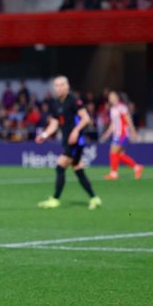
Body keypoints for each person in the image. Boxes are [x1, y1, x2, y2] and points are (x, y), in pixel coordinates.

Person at [35, 76, 101, 210]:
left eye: (61, 85)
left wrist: (76, 131)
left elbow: (86, 118)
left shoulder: (73, 100)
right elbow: (54, 123)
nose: (59, 88)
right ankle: (94, 198)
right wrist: (44, 135)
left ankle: (55, 199)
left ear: (67, 86)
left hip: (77, 142)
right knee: (78, 170)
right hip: (67, 140)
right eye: (56, 85)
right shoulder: (55, 103)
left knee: (60, 166)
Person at [100, 91, 143, 180]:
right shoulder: (112, 109)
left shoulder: (122, 107)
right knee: (119, 155)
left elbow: (128, 120)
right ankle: (137, 167)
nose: (111, 98)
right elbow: (113, 123)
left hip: (123, 134)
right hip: (116, 134)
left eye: (112, 96)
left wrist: (133, 131)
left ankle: (114, 173)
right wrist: (108, 133)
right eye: (109, 97)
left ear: (117, 97)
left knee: (113, 152)